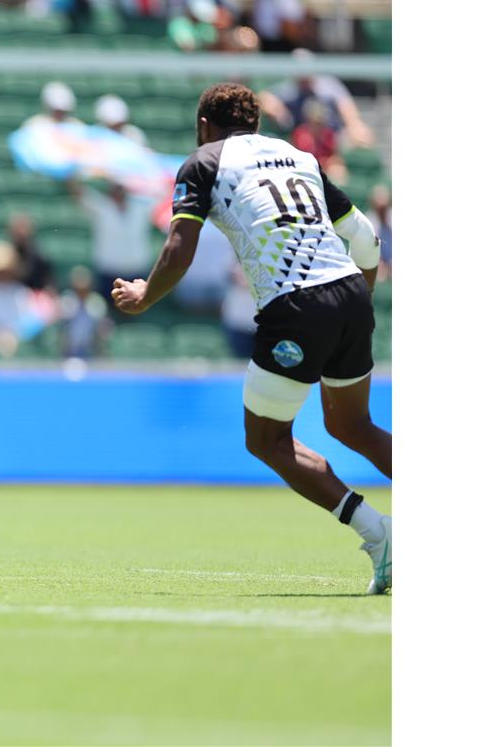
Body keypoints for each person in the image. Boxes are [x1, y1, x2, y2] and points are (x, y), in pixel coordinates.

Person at [110, 83, 391, 594]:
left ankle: (379, 534)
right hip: (350, 291)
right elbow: (367, 238)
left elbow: (179, 246)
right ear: (257, 124)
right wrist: (357, 298)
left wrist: (145, 295)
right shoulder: (299, 155)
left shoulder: (204, 161)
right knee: (354, 425)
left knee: (266, 440)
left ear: (203, 126)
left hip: (296, 305)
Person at [259, 50, 375, 148]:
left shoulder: (329, 84)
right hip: (302, 141)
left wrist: (354, 125)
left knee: (359, 137)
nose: (303, 74)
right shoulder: (290, 89)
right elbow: (265, 97)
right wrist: (275, 107)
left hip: (332, 138)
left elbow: (345, 104)